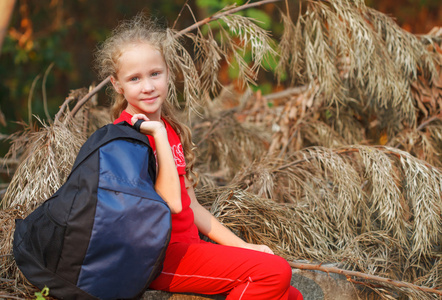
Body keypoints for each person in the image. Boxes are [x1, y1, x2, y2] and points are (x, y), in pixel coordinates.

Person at [95, 14, 303, 300]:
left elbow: (193, 208)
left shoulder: (170, 130)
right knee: (275, 272)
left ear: (168, 72)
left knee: (289, 294)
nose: (148, 86)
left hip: (190, 249)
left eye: (155, 73)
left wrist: (246, 247)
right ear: (117, 84)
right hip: (159, 258)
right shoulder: (124, 138)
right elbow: (171, 202)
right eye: (134, 78)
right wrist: (155, 133)